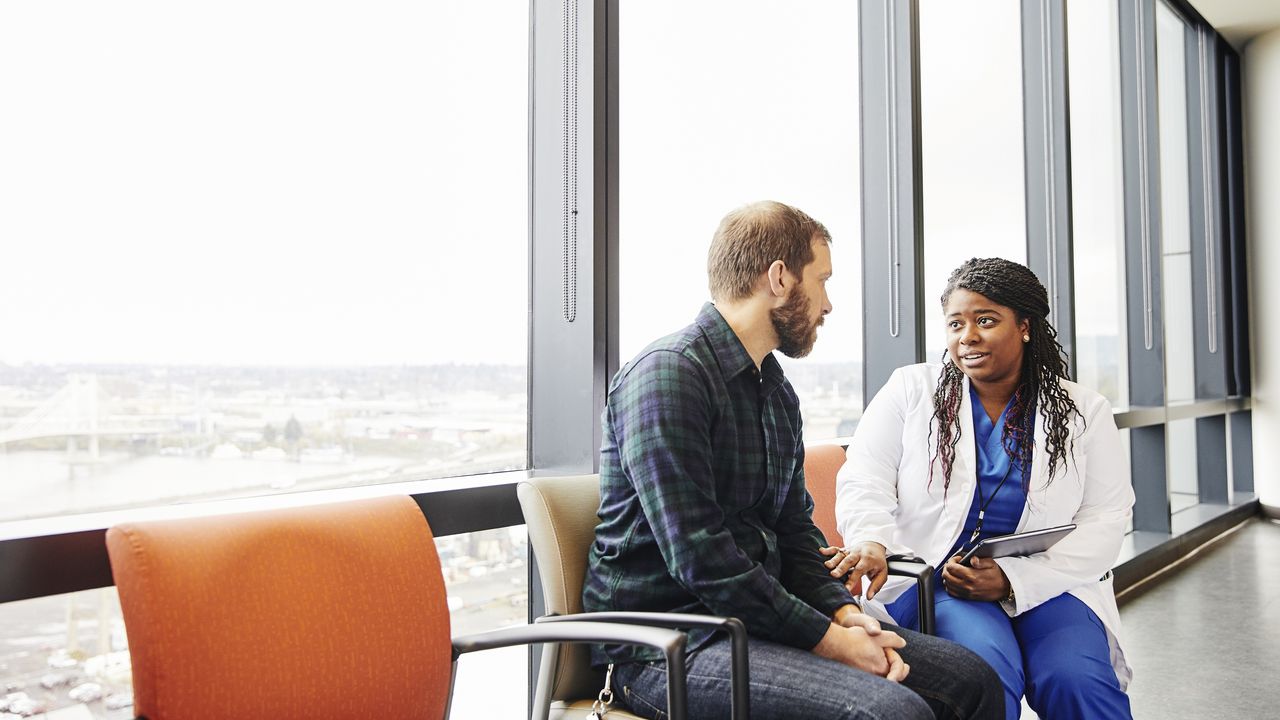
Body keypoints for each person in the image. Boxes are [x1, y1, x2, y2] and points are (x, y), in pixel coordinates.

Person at [582, 201, 1004, 720]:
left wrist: (846, 615)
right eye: (822, 280)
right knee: (890, 713)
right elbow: (701, 558)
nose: (828, 304)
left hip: (755, 626)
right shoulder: (668, 376)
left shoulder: (775, 393)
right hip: (667, 646)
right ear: (779, 278)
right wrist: (829, 639)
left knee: (972, 681)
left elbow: (796, 535)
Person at [827, 257, 1135, 720]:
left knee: (1076, 677)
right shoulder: (912, 390)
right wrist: (871, 538)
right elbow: (864, 477)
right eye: (955, 324)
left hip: (1049, 580)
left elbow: (1107, 519)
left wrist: (1014, 581)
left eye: (985, 321)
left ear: (1025, 326)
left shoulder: (1083, 411)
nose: (966, 336)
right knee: (985, 669)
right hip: (938, 581)